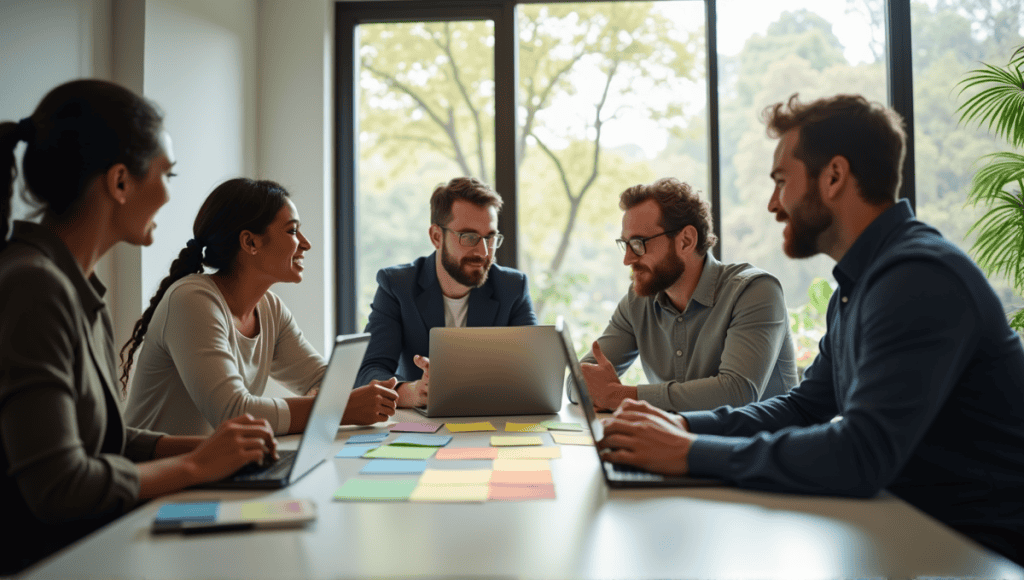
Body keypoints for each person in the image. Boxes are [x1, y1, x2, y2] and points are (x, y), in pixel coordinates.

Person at [597, 94, 1024, 565]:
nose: (773, 204)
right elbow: (807, 406)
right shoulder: (861, 283)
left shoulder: (918, 277)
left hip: (976, 554)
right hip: (907, 532)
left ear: (834, 176)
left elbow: (861, 453)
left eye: (782, 181)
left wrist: (692, 452)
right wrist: (679, 426)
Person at [0, 80, 279, 575]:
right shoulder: (33, 287)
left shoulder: (72, 283)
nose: (172, 195)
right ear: (121, 182)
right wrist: (196, 466)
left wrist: (208, 448)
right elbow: (59, 485)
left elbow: (97, 439)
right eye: (167, 174)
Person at [122, 178, 398, 436]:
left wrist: (339, 398)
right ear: (250, 242)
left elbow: (321, 378)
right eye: (292, 230)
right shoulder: (192, 300)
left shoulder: (269, 309)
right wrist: (335, 409)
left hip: (215, 472)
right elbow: (233, 413)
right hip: (154, 477)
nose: (306, 243)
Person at [578, 177, 797, 412]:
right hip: (680, 446)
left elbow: (737, 392)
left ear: (686, 240)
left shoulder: (755, 291)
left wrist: (621, 396)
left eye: (639, 243)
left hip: (758, 446)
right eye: (625, 244)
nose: (627, 259)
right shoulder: (638, 302)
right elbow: (580, 382)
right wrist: (605, 392)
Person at [355, 176, 538, 408]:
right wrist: (411, 393)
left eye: (490, 237)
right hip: (422, 425)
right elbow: (369, 370)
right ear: (436, 236)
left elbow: (535, 369)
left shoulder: (512, 287)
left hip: (493, 420)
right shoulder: (397, 286)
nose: (483, 252)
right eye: (469, 237)